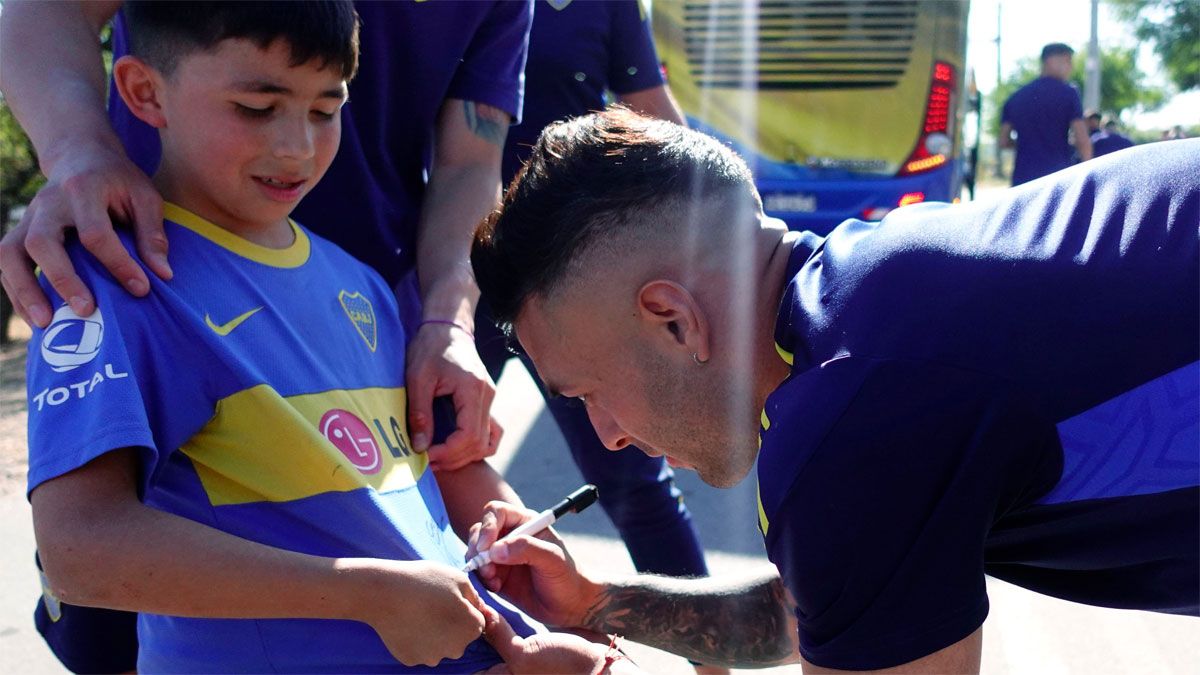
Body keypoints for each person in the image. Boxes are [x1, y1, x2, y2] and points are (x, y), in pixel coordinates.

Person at [464, 109, 1199, 673]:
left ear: (675, 322)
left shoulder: (848, 415)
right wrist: (597, 601)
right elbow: (816, 609)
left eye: (588, 391)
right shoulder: (866, 295)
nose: (609, 436)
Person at [20, 3, 636, 673]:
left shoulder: (366, 288)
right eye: (257, 107)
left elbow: (406, 515)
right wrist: (366, 593)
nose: (297, 148)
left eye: (325, 109)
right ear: (144, 91)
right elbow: (81, 550)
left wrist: (523, 627)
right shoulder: (113, 281)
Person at [474, 0, 709, 582]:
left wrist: (726, 238)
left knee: (633, 479)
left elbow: (654, 116)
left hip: (568, 279)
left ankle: (713, 667)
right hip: (454, 280)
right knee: (428, 459)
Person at [1000, 43, 1092, 185]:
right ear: (1050, 61)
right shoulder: (1068, 93)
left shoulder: (1016, 97)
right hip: (1057, 181)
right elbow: (1082, 140)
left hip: (1022, 182)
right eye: (1067, 61)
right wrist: (1089, 177)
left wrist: (1028, 145)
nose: (1071, 67)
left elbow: (1003, 141)